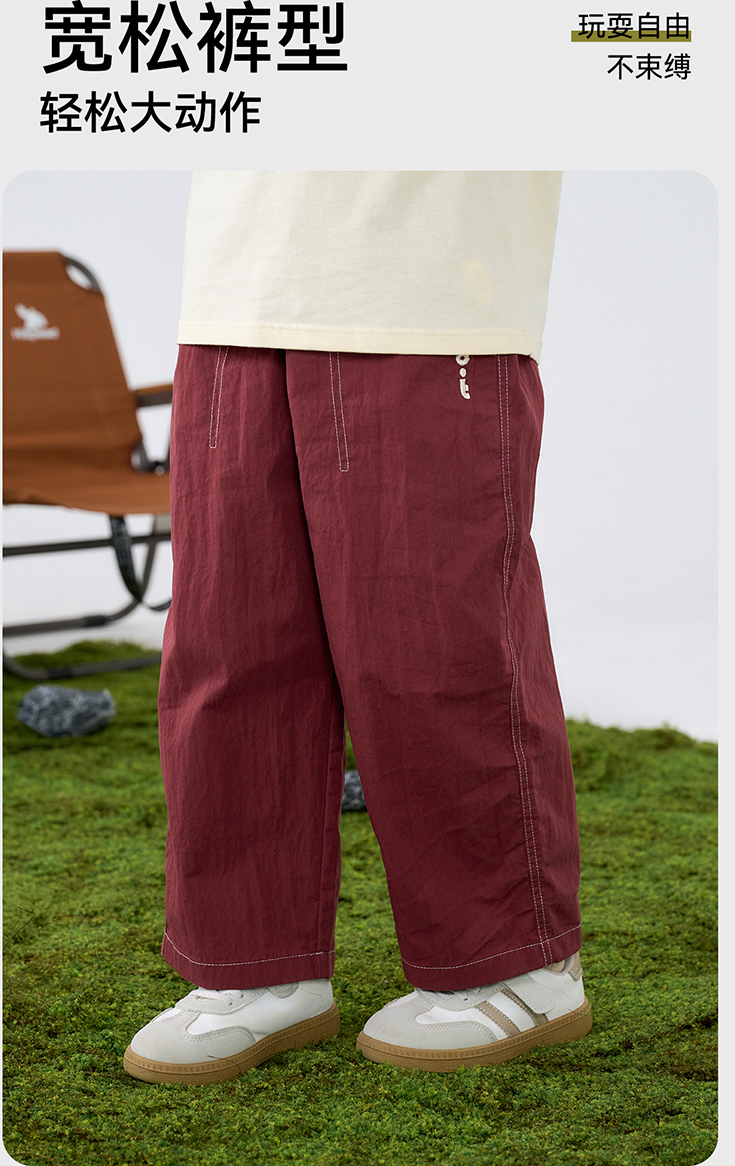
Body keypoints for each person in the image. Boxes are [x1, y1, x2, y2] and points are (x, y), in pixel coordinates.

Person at [123, 172, 591, 1084]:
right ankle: (257, 966)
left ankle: (520, 964)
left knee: (433, 646)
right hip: (234, 296)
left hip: (424, 296)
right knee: (227, 649)